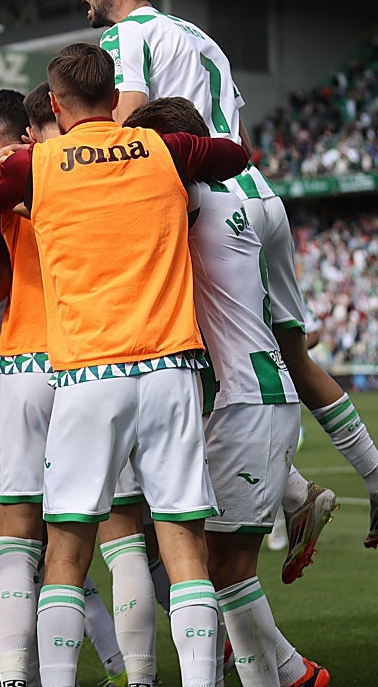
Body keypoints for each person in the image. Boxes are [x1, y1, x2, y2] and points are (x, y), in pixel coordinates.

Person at [72, 0, 378, 579]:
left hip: (205, 200)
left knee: (197, 357)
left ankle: (278, 497)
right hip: (259, 196)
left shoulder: (124, 39)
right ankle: (377, 487)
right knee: (287, 352)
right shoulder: (199, 36)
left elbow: (124, 129)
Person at [0, 43, 249, 687]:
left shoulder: (38, 165)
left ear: (55, 105)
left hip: (88, 373)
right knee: (182, 544)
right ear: (116, 98)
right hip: (172, 368)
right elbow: (235, 155)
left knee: (65, 547)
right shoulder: (165, 151)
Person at [127, 97, 327, 687]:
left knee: (230, 569)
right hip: (236, 397)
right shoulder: (222, 199)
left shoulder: (187, 203)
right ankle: (292, 675)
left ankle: (284, 679)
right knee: (204, 562)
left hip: (248, 399)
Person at [0, 86, 132, 687]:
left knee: (16, 539)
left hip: (23, 363)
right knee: (109, 534)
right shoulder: (101, 175)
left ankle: (11, 675)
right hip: (90, 359)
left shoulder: (14, 174)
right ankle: (131, 669)